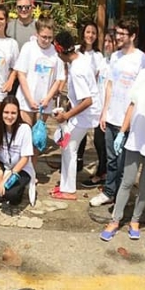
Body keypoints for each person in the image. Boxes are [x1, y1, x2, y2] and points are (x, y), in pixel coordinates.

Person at [100, 35, 145, 242]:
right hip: (135, 138)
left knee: (144, 185)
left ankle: (135, 221)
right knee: (126, 181)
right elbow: (132, 105)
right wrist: (123, 132)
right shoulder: (143, 74)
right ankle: (115, 220)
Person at [91, 19, 145, 209]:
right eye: (117, 33)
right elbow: (109, 85)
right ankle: (109, 192)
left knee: (124, 162)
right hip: (111, 116)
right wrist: (104, 112)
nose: (117, 37)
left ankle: (121, 195)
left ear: (133, 36)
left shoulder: (142, 60)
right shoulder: (115, 57)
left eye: (122, 34)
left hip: (130, 120)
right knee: (111, 158)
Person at [51, 30, 101, 201]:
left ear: (60, 51)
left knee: (69, 148)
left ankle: (69, 189)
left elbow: (87, 100)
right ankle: (66, 185)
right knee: (67, 147)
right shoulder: (79, 58)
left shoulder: (77, 70)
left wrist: (67, 116)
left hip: (85, 115)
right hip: (84, 114)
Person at [14, 19, 65, 162]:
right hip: (26, 99)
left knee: (37, 137)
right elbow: (21, 74)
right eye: (44, 37)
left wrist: (48, 98)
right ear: (37, 34)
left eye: (50, 37)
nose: (47, 40)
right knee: (24, 136)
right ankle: (20, 167)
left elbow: (58, 79)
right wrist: (29, 99)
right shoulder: (28, 48)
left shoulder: (56, 52)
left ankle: (32, 170)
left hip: (44, 102)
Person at [0, 95, 35, 209]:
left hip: (19, 169)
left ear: (18, 113)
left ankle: (16, 191)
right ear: (1, 112)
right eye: (6, 112)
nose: (9, 116)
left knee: (11, 195)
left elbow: (25, 158)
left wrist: (6, 180)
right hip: (3, 165)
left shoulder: (24, 129)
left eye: (13, 113)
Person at [77, 21, 108, 187]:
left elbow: (98, 79)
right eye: (88, 32)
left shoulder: (98, 56)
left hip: (94, 101)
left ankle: (102, 170)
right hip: (77, 99)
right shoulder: (76, 51)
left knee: (98, 138)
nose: (90, 35)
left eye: (93, 33)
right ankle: (78, 160)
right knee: (77, 133)